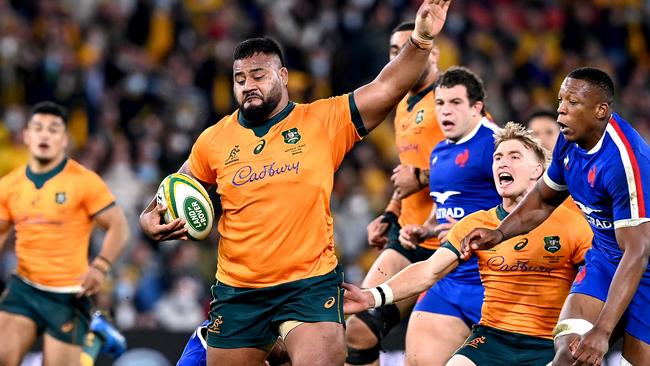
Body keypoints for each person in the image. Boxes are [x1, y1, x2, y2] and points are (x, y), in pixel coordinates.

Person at [139, 1, 452, 365]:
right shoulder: (214, 139)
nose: (248, 86)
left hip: (308, 285)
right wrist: (150, 215)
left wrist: (421, 38)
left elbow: (386, 87)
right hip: (239, 290)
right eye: (240, 79)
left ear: (283, 76)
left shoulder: (321, 121)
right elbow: (176, 185)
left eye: (258, 75)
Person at [342, 122, 594, 366]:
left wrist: (595, 333)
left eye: (515, 156)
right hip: (492, 340)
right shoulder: (476, 224)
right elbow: (429, 271)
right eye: (497, 158)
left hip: (548, 344)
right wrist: (370, 296)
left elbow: (600, 281)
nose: (502, 162)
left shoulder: (573, 222)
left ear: (538, 170)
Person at [461, 67, 650, 366]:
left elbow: (638, 251)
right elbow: (543, 198)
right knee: (569, 355)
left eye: (573, 102)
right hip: (605, 261)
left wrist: (602, 329)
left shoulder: (625, 161)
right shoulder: (569, 139)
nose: (560, 110)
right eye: (561, 99)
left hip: (643, 266)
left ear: (600, 110)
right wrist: (499, 232)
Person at [344, 21, 445, 366]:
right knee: (357, 331)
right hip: (407, 237)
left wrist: (423, 176)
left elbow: (480, 166)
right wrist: (389, 213)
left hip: (450, 244)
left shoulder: (453, 101)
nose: (405, 56)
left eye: (412, 47)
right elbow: (406, 173)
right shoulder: (401, 105)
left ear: (435, 55)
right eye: (395, 51)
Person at [0, 101, 129, 366]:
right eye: (38, 128)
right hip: (24, 287)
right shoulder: (9, 185)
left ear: (65, 139)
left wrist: (101, 267)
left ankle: (92, 340)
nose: (45, 135)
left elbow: (119, 226)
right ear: (26, 136)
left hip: (67, 293)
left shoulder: (84, 181)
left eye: (53, 129)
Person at [396, 66, 500, 365]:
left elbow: (528, 207)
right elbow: (446, 205)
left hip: (496, 285)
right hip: (450, 280)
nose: (445, 111)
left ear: (477, 107)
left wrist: (477, 227)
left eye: (455, 103)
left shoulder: (498, 145)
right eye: (440, 103)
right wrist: (426, 229)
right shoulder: (440, 151)